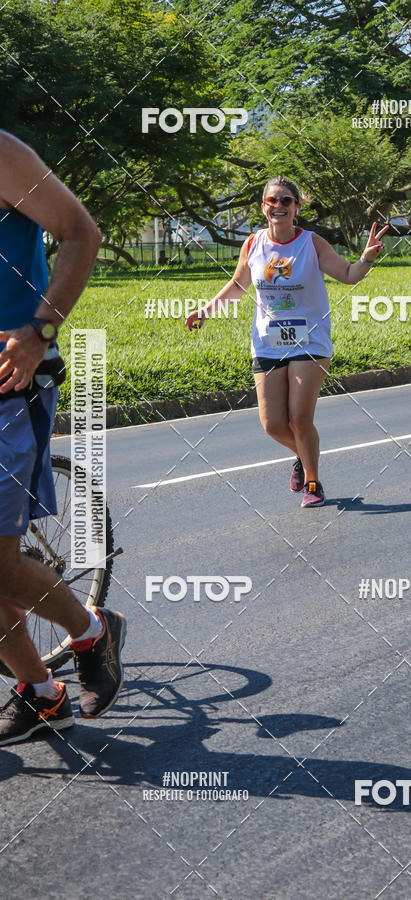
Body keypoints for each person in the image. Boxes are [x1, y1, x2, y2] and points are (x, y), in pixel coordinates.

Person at [0, 131, 127, 746]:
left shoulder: (3, 155)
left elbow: (82, 234)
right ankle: (41, 694)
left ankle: (91, 631)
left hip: (10, 382)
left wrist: (40, 331)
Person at [186, 176, 388, 507]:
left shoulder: (311, 243)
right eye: (272, 200)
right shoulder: (253, 244)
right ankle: (303, 456)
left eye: (285, 201)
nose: (278, 206)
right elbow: (238, 285)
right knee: (272, 424)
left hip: (310, 340)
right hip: (268, 342)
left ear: (296, 207)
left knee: (299, 418)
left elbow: (348, 275)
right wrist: (206, 310)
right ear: (263, 207)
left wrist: (365, 259)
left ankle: (313, 483)